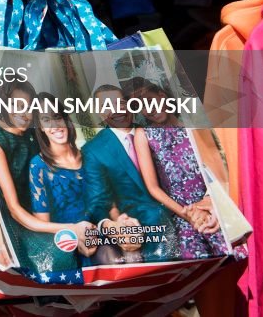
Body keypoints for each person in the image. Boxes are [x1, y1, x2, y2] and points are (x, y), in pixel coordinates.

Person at [0, 80, 79, 275]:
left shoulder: (34, 130)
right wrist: (67, 228)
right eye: (17, 106)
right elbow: (14, 208)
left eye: (29, 107)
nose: (24, 114)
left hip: (45, 207)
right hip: (18, 219)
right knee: (62, 255)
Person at [133, 81, 226, 259]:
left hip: (212, 203)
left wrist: (210, 202)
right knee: (196, 259)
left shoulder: (191, 123)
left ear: (162, 96)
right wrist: (186, 214)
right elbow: (153, 188)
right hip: (181, 214)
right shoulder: (143, 134)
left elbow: (216, 165)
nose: (149, 110)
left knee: (230, 250)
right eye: (140, 107)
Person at [82, 84, 171, 263]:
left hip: (179, 209)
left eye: (121, 103)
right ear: (100, 113)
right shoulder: (93, 150)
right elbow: (99, 203)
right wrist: (118, 226)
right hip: (141, 225)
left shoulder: (153, 129)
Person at [28, 97, 97, 265]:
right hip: (67, 240)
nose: (54, 125)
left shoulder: (89, 155)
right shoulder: (38, 165)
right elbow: (43, 224)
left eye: (57, 117)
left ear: (66, 119)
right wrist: (74, 231)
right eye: (46, 120)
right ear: (40, 128)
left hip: (99, 230)